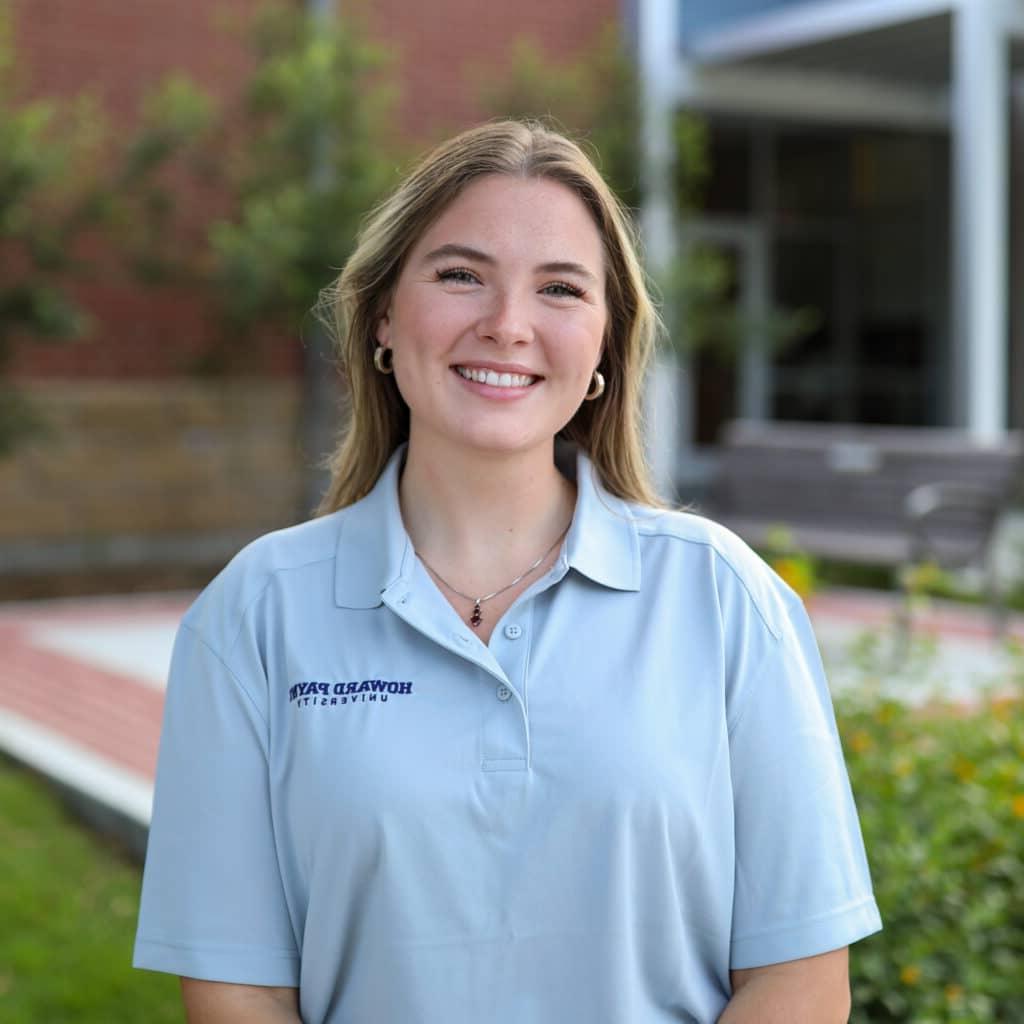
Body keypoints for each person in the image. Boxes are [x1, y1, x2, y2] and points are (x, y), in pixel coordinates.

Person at [134, 119, 881, 1023]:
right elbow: (234, 988)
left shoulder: (727, 600)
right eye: (460, 275)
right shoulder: (253, 615)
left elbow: (800, 980)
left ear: (605, 346)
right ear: (382, 314)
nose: (507, 326)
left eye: (560, 289)